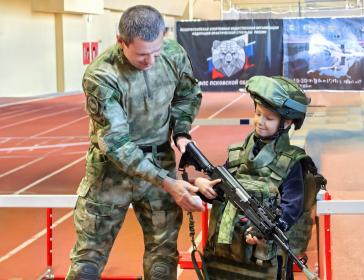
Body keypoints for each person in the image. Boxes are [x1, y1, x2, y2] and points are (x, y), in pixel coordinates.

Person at [65, 5, 204, 280]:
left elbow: (187, 95)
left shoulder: (173, 54)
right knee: (88, 259)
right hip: (110, 172)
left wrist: (181, 132)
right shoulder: (101, 76)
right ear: (121, 41)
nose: (150, 60)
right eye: (141, 54)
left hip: (160, 158)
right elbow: (117, 145)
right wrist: (168, 183)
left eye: (156, 51)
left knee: (162, 258)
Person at [194, 75, 311, 280]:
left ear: (287, 122)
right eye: (258, 114)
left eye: (269, 118)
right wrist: (203, 188)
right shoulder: (238, 153)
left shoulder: (290, 161)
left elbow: (292, 207)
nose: (260, 122)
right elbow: (222, 193)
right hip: (225, 253)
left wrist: (266, 229)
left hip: (262, 258)